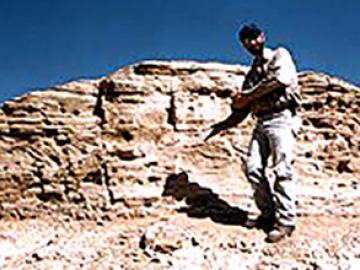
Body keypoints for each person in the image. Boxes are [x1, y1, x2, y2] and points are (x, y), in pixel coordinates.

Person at [207, 23, 301, 243]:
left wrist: (247, 96)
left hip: (282, 119)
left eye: (253, 38)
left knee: (282, 169)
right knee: (253, 169)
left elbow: (280, 80)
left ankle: (286, 221)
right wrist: (222, 125)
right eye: (246, 41)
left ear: (262, 36)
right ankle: (268, 215)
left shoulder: (280, 55)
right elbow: (243, 111)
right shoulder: (251, 75)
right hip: (261, 122)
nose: (251, 43)